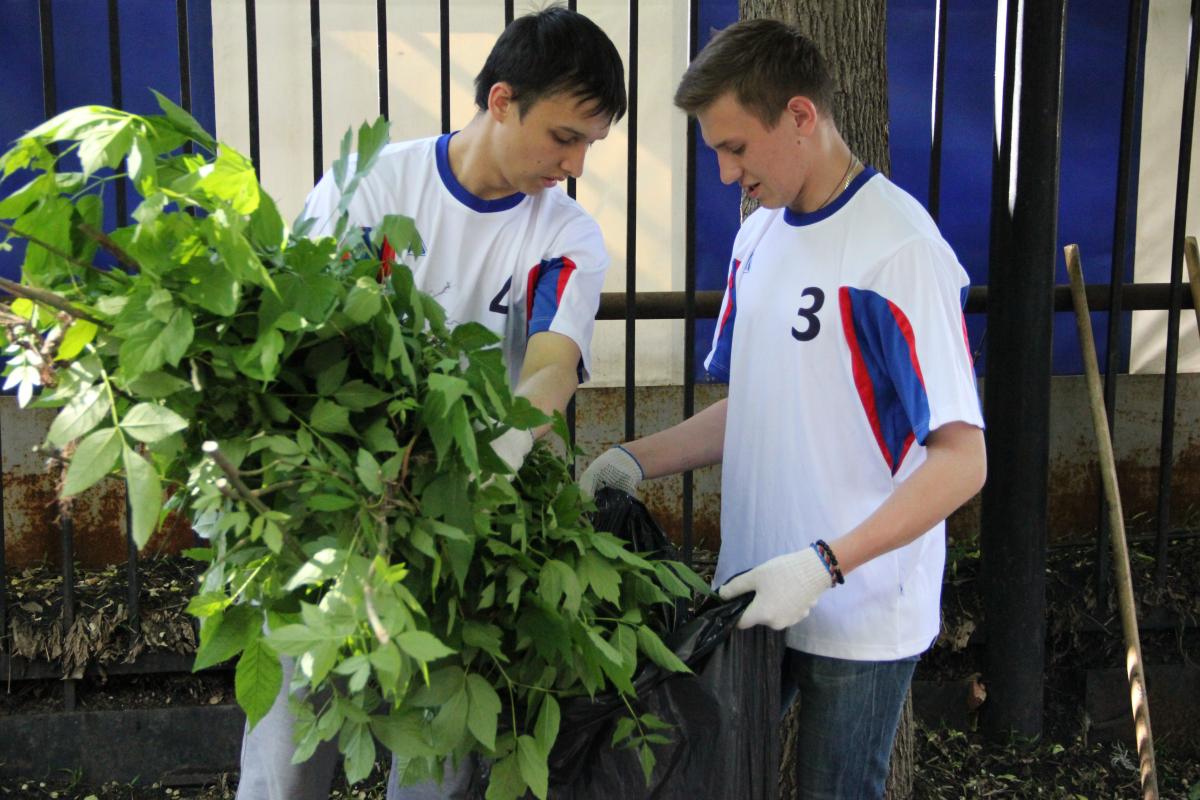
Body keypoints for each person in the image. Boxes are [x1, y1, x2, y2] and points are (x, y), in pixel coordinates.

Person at [579, 18, 986, 799]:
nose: (728, 174)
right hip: (752, 597)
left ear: (801, 116)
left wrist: (825, 562)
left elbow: (963, 460)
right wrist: (636, 459)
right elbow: (760, 406)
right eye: (717, 153)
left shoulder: (897, 251)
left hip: (857, 612)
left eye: (737, 148)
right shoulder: (756, 236)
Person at [234, 7, 626, 800]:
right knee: (285, 764)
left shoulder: (568, 235)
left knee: (434, 772)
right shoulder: (375, 185)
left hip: (460, 534)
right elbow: (311, 337)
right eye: (565, 136)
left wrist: (492, 464)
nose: (575, 163)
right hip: (330, 517)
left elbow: (550, 364)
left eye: (590, 145)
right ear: (503, 99)